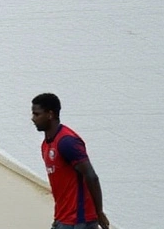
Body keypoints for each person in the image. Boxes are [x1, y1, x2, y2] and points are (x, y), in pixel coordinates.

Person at [32, 93, 110, 229]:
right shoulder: (46, 144)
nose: (33, 119)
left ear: (50, 114)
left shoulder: (67, 142)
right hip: (62, 219)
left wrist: (99, 213)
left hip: (79, 221)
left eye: (37, 114)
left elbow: (91, 176)